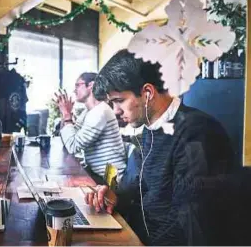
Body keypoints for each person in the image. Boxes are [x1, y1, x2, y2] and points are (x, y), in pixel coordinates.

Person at [84, 49, 236, 245]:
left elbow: (189, 225)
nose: (116, 111)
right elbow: (143, 192)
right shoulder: (150, 128)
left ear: (147, 93)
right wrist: (116, 198)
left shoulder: (198, 133)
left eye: (119, 101)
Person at [55, 72, 127, 184]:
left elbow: (73, 146)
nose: (74, 90)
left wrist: (67, 115)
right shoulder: (88, 111)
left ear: (91, 85)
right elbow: (68, 138)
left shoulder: (100, 112)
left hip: (111, 180)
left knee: (66, 183)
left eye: (77, 85)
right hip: (97, 173)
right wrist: (64, 113)